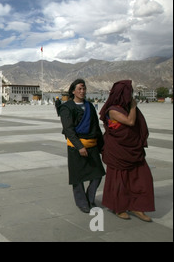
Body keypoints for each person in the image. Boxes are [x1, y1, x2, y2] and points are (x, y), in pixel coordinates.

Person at [99, 80, 154, 222]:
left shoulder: (125, 107)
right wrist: (134, 106)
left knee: (142, 177)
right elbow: (130, 122)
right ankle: (119, 207)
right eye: (129, 92)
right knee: (119, 180)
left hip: (133, 149)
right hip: (119, 150)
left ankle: (137, 206)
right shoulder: (113, 110)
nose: (131, 95)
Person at [59, 79, 105, 213]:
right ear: (73, 91)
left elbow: (96, 127)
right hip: (76, 147)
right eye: (79, 89)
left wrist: (102, 146)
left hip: (92, 145)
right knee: (77, 177)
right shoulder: (67, 107)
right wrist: (79, 146)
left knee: (98, 174)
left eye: (84, 88)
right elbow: (68, 129)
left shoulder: (89, 106)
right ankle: (81, 203)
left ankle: (90, 199)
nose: (82, 91)